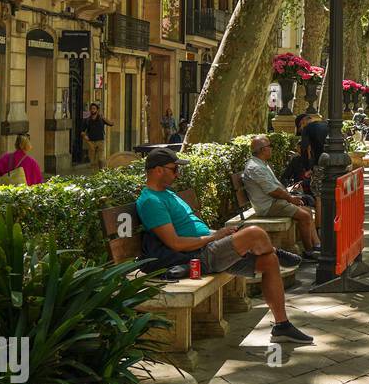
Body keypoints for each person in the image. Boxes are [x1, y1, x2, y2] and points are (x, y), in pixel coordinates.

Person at [136, 149, 313, 345]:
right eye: (175, 169)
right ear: (158, 170)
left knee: (269, 261)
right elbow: (176, 243)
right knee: (255, 233)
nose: (178, 174)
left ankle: (282, 325)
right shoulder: (151, 201)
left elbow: (191, 228)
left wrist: (217, 235)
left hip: (209, 246)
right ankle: (274, 251)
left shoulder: (167, 193)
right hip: (196, 256)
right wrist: (215, 237)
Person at [242, 136, 321, 258]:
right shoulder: (255, 167)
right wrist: (290, 198)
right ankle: (309, 252)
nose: (271, 149)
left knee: (307, 210)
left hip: (275, 202)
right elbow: (273, 191)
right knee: (304, 215)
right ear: (263, 150)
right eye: (270, 146)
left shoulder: (261, 163)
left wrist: (290, 195)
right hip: (268, 206)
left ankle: (316, 245)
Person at [82, 103, 113, 171]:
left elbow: (111, 124)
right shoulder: (87, 120)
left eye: (94, 109)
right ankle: (94, 174)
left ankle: (101, 171)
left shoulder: (101, 119)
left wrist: (104, 118)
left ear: (97, 110)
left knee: (100, 159)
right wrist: (85, 137)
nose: (92, 110)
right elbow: (82, 132)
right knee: (92, 160)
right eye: (91, 109)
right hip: (91, 142)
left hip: (100, 141)